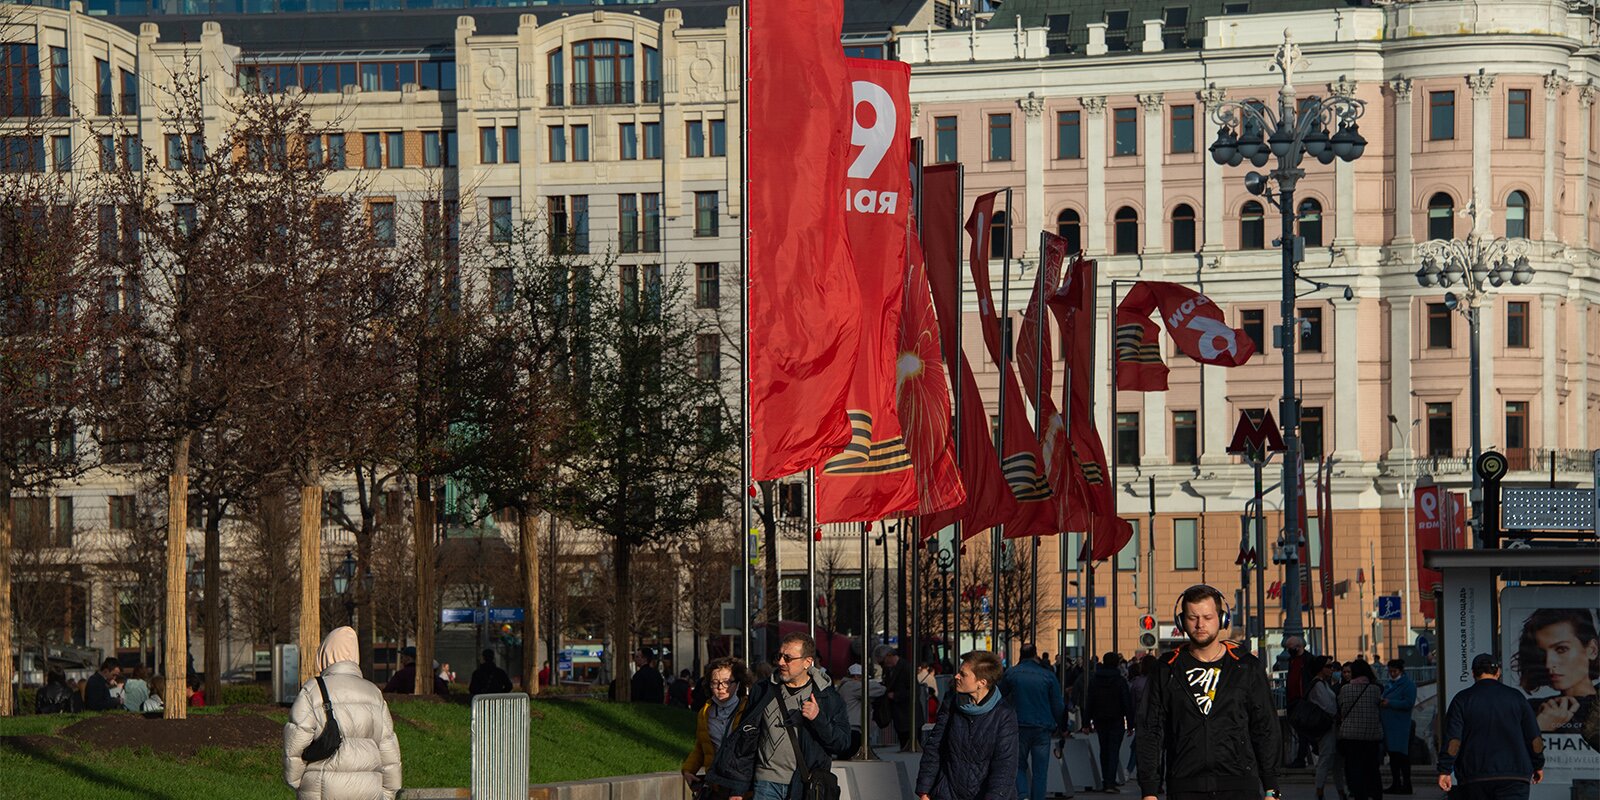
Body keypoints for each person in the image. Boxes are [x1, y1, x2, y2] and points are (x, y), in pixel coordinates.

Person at [1136, 584, 1280, 800]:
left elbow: (1265, 726)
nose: (1200, 624)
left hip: (1239, 784)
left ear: (1222, 619)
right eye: (1193, 617)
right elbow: (1151, 730)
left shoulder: (1245, 666)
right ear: (1181, 621)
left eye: (1207, 617)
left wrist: (1272, 787)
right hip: (1185, 785)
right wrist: (1149, 790)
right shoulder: (1166, 668)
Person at [705, 632, 850, 800]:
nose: (781, 662)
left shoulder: (828, 697)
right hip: (766, 783)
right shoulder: (762, 690)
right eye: (779, 656)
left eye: (788, 658)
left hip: (805, 785)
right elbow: (746, 740)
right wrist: (739, 787)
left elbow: (842, 744)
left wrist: (818, 719)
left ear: (807, 662)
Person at [284, 626, 403, 800]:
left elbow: (296, 744)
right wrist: (389, 791)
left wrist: (296, 782)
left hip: (322, 790)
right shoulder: (373, 692)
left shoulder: (313, 690)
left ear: (323, 655)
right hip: (368, 790)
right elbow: (388, 747)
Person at [914, 650, 1020, 800]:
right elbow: (935, 747)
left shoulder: (1004, 714)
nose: (956, 676)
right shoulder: (951, 702)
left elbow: (1005, 766)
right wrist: (924, 790)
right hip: (948, 793)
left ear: (981, 683)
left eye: (963, 674)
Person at [1438, 654, 1544, 800]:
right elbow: (1534, 738)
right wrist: (1538, 764)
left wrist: (1445, 770)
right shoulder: (1516, 697)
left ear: (1473, 673)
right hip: (1514, 776)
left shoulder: (1461, 700)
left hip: (1474, 776)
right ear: (1498, 672)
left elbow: (1453, 740)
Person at [1510, 608, 1599, 738]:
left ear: (1592, 650)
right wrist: (1541, 726)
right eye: (1542, 652)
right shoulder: (1532, 709)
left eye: (1561, 649)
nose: (1548, 664)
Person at [998, 643, 1065, 800]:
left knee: (1018, 765)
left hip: (1019, 725)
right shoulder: (1047, 675)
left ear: (1021, 655)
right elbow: (1058, 705)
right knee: (1040, 771)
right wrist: (1060, 726)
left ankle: (1022, 795)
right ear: (1036, 655)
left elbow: (999, 698)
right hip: (1042, 727)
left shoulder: (1011, 673)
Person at [683, 657, 750, 800]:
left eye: (727, 682)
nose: (720, 687)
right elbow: (702, 747)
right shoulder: (706, 712)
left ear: (738, 683)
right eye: (715, 682)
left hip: (743, 786)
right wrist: (688, 770)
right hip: (717, 784)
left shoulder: (749, 710)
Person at [1337, 659, 1385, 800]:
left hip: (1351, 736)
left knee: (1354, 768)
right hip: (1371, 736)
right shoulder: (1375, 690)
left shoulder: (1345, 689)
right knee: (1372, 768)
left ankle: (1359, 795)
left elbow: (1343, 710)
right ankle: (1376, 794)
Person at [1085, 652, 1133, 793]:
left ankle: (1106, 779)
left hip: (1100, 719)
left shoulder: (1095, 680)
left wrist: (1086, 722)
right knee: (1113, 751)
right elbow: (1126, 703)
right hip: (1116, 719)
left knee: (1104, 750)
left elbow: (1090, 702)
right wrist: (1130, 723)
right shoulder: (1120, 681)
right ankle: (1110, 783)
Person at [1307, 657, 1348, 800]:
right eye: (1329, 666)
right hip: (1326, 727)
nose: (1332, 669)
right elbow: (1327, 706)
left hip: (1331, 726)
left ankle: (1340, 791)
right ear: (1321, 668)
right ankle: (1320, 790)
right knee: (1326, 758)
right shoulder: (1318, 684)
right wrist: (1338, 716)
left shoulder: (1324, 683)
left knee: (1336, 760)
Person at [1380, 659, 1416, 795]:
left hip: (1400, 727)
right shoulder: (1391, 684)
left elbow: (1408, 703)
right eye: (1390, 671)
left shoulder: (1408, 685)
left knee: (1402, 758)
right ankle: (1396, 784)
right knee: (1394, 758)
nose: (1392, 674)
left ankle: (1406, 784)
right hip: (1390, 726)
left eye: (1394, 671)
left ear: (1401, 671)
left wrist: (1390, 703)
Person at [1278, 635, 1314, 769]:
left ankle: (1301, 759)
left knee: (1304, 732)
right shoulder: (1292, 660)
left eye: (1290, 648)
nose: (1288, 650)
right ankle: (1302, 757)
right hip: (1293, 700)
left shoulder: (1308, 660)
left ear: (1299, 647)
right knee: (1301, 731)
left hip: (1302, 701)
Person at [837, 662, 886, 755]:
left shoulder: (844, 686)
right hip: (853, 728)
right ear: (856, 677)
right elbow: (879, 689)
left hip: (848, 727)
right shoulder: (852, 686)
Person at [881, 648, 915, 748]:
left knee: (906, 737)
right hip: (899, 713)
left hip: (906, 711)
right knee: (902, 737)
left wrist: (896, 695)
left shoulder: (905, 667)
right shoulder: (890, 669)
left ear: (890, 656)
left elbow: (914, 690)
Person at [383, 650, 448, 696]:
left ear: (408, 658)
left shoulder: (400, 674)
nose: (401, 660)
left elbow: (387, 690)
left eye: (403, 657)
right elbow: (443, 691)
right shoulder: (428, 675)